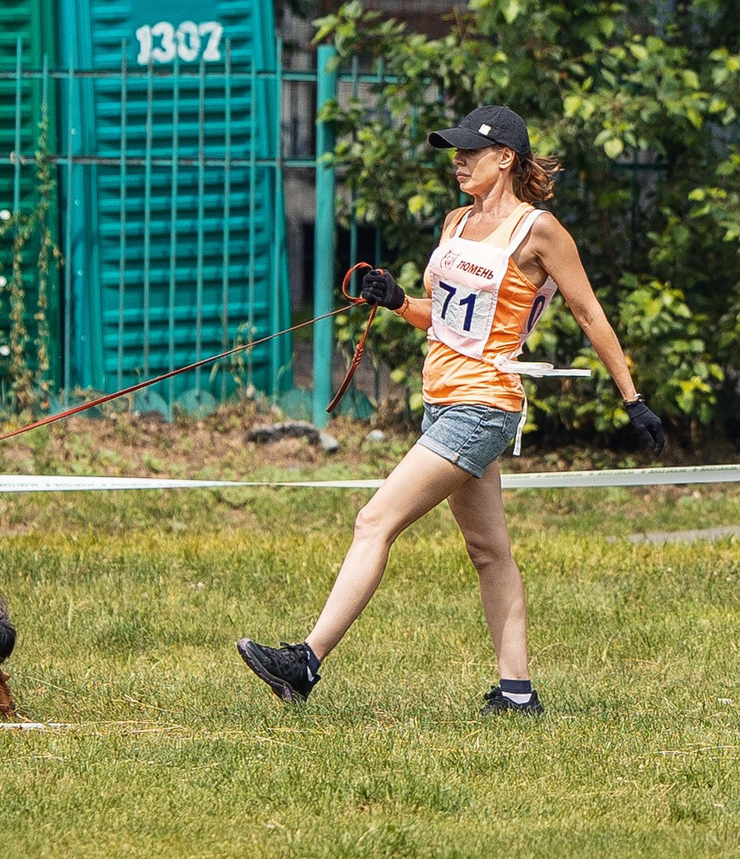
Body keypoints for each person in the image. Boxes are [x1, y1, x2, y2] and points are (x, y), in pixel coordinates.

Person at [234, 105, 664, 716]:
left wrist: (632, 398)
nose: (458, 161)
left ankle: (306, 661)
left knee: (374, 521)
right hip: (442, 400)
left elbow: (590, 314)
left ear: (506, 159)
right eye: (454, 151)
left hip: (484, 405)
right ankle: (518, 693)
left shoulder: (539, 232)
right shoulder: (456, 222)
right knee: (489, 550)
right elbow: (439, 314)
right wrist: (397, 300)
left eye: (470, 151)